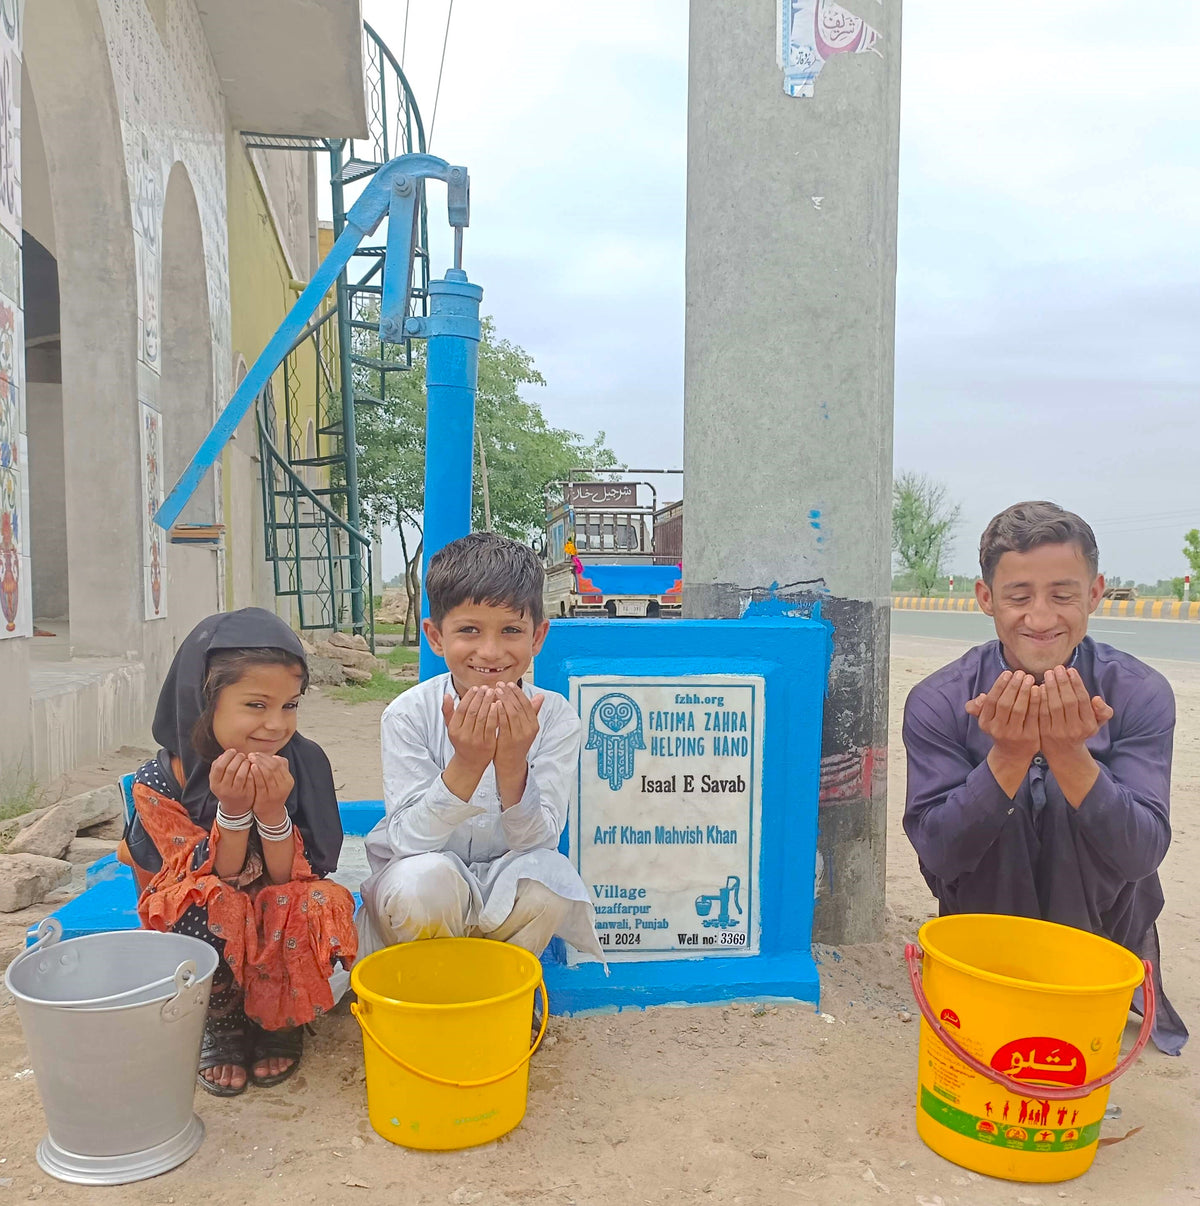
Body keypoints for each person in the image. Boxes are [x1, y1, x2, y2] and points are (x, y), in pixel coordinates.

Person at [902, 501, 1187, 1055]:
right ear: (986, 599)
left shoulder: (1139, 693)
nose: (1039, 618)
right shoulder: (940, 700)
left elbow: (1141, 856)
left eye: (1062, 595)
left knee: (1064, 791)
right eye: (1018, 597)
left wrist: (1068, 755)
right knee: (1002, 802)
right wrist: (1006, 759)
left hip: (1105, 929)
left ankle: (1082, 984)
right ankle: (1009, 978)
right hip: (981, 934)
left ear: (1094, 593)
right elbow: (938, 856)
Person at [126, 608, 358, 1096]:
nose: (277, 725)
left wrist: (273, 813)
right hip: (214, 919)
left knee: (319, 901)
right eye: (256, 705)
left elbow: (296, 876)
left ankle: (279, 1016)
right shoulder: (162, 780)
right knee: (205, 901)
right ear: (203, 701)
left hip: (277, 912)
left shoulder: (305, 763)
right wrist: (232, 811)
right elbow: (203, 879)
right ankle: (222, 1017)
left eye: (290, 705)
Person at [358, 532, 603, 969]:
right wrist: (467, 765)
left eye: (511, 630)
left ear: (538, 637)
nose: (490, 652)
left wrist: (512, 766)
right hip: (423, 891)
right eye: (468, 630)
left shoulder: (556, 718)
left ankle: (503, 981)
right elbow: (410, 840)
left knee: (549, 880)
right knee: (425, 881)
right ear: (435, 637)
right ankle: (432, 986)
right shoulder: (409, 714)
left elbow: (539, 840)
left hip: (503, 882)